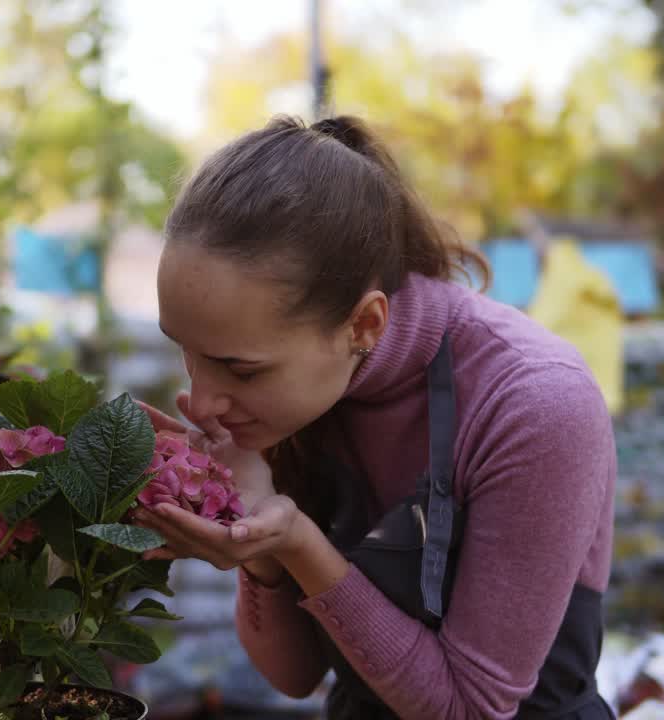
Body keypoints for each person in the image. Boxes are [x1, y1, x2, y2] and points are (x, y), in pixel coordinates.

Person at [131, 115, 617, 720]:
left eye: (242, 370)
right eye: (188, 352)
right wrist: (254, 540)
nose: (201, 404)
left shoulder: (534, 404)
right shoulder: (304, 388)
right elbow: (294, 676)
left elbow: (469, 707)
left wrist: (299, 544)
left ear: (364, 325)